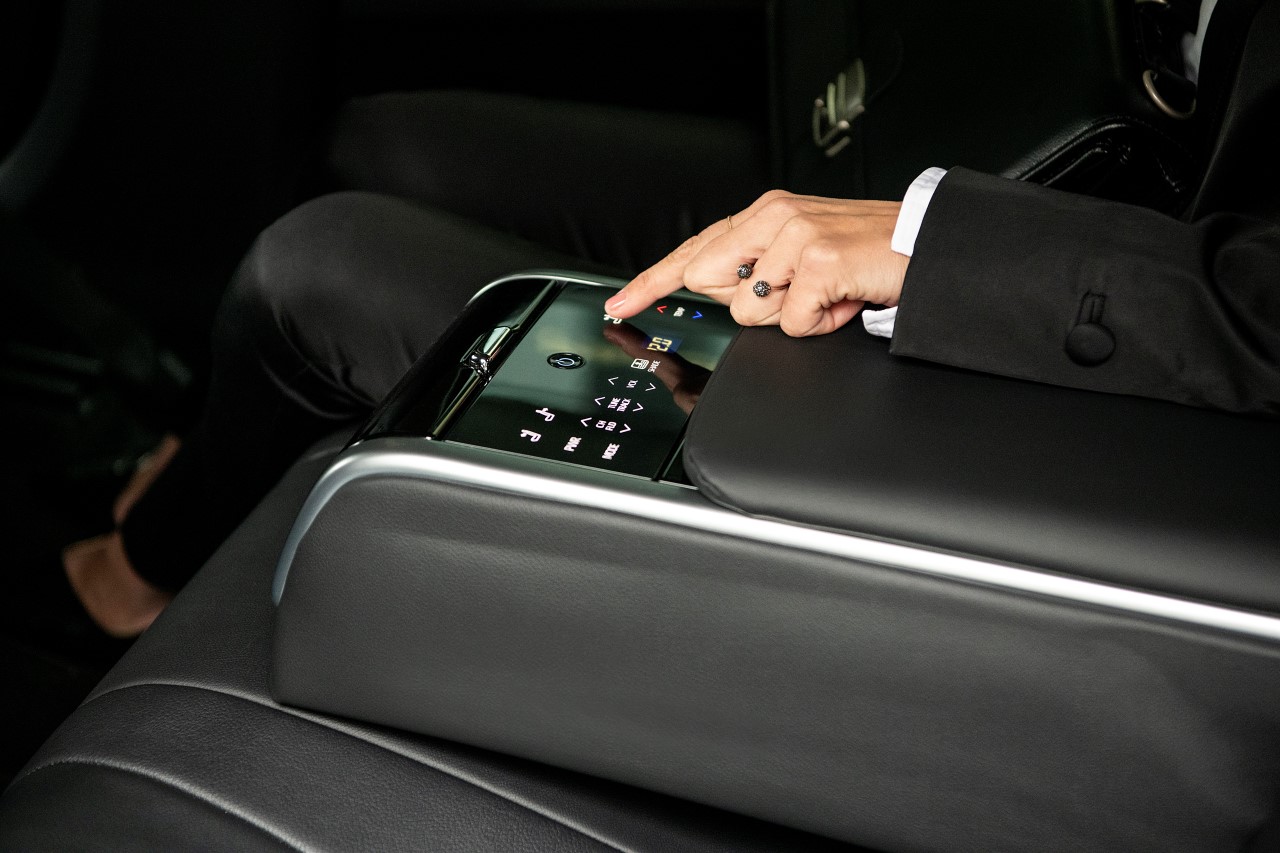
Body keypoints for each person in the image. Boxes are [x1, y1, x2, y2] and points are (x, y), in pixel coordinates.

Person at [62, 0, 1279, 637]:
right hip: (1058, 193)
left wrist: (924, 243)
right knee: (385, 141)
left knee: (317, 270)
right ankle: (217, 458)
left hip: (1087, 357)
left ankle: (140, 576)